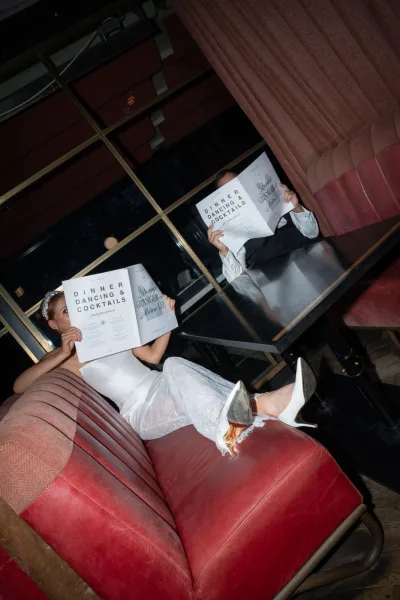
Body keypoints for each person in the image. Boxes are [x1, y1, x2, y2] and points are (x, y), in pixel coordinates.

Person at [14, 290, 317, 456]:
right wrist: (63, 353)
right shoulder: (66, 360)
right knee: (175, 371)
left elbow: (154, 356)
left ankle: (258, 408)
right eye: (67, 311)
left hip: (165, 384)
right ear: (55, 325)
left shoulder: (112, 333)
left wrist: (167, 319)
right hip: (142, 413)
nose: (75, 313)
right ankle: (248, 414)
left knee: (172, 364)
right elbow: (19, 386)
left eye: (76, 305)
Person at [208, 171, 320, 283]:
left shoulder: (276, 197)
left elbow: (312, 233)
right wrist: (224, 251)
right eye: (228, 190)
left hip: (311, 261)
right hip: (282, 283)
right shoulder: (232, 230)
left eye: (237, 183)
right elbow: (238, 281)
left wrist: (296, 207)